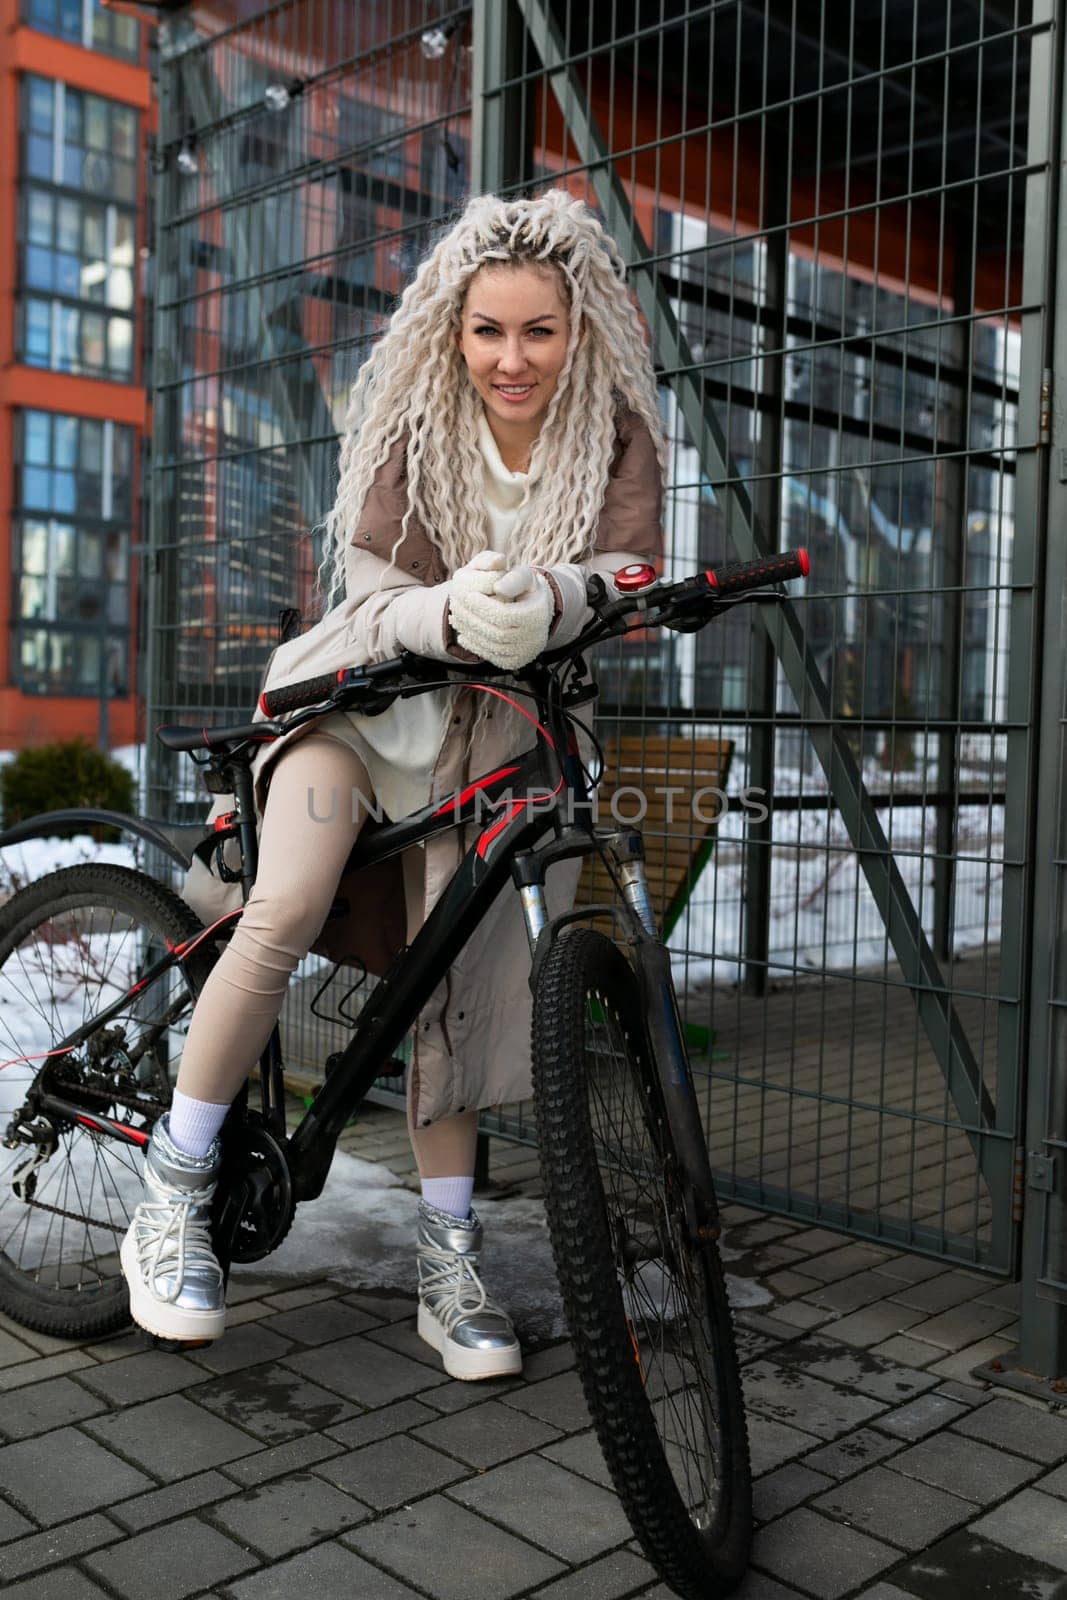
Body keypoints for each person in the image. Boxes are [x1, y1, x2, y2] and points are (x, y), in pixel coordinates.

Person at [120, 188, 666, 1379]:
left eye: (537, 330)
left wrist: (554, 603)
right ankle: (171, 1185)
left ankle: (446, 1259)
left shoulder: (614, 430)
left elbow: (629, 568)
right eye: (487, 330)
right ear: (452, 328)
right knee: (285, 908)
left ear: (579, 330)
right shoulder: (415, 425)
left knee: (455, 979)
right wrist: (445, 610)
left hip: (493, 737)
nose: (510, 358)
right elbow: (364, 584)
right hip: (360, 711)